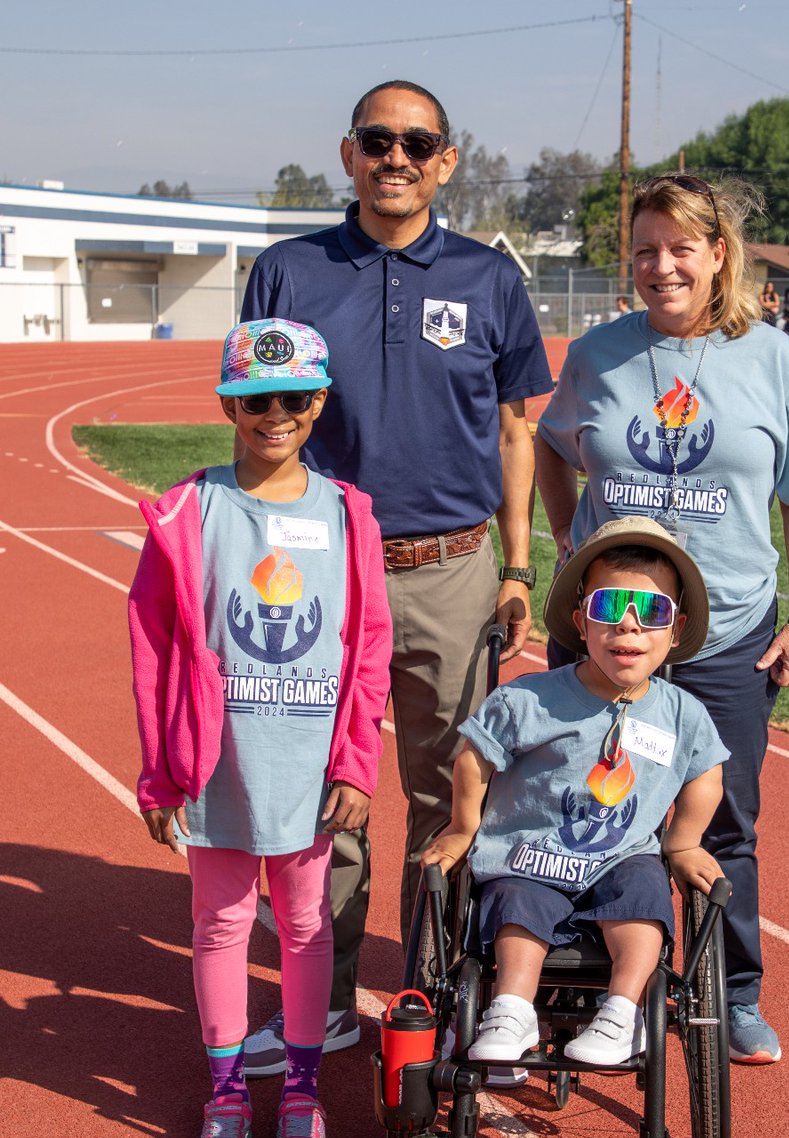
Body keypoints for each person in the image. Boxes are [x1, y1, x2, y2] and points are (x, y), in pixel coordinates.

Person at [239, 81, 554, 1079]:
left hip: (452, 571)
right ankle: (318, 1002)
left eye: (417, 143)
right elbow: (257, 421)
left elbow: (516, 432)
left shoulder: (490, 279)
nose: (397, 157)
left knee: (444, 794)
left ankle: (424, 991)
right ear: (348, 154)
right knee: (317, 794)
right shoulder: (288, 272)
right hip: (319, 572)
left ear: (447, 161)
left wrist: (516, 566)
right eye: (378, 141)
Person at [535, 173, 789, 1065]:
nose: (659, 267)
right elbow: (555, 449)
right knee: (585, 804)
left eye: (679, 249)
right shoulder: (599, 353)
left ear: (718, 254)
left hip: (728, 633)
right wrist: (568, 539)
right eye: (643, 251)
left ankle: (732, 992)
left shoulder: (774, 357)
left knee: (722, 825)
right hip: (608, 625)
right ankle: (574, 985)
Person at [128, 318, 392, 1138]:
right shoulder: (188, 510)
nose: (272, 414)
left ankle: (305, 1093)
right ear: (227, 404)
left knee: (309, 925)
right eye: (253, 399)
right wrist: (162, 774)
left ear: (318, 403)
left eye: (291, 398)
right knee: (221, 924)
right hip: (220, 764)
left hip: (311, 767)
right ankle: (229, 1095)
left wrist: (356, 760)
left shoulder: (349, 514)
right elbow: (155, 651)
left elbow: (368, 649)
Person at [422, 517, 728, 1067]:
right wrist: (464, 827)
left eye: (651, 612)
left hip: (619, 856)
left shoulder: (684, 715)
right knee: (517, 905)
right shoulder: (530, 699)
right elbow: (474, 755)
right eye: (609, 608)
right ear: (580, 619)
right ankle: (513, 1009)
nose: (627, 628)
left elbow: (706, 773)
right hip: (531, 854)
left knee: (644, 900)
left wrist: (684, 841)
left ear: (675, 630)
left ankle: (621, 1012)